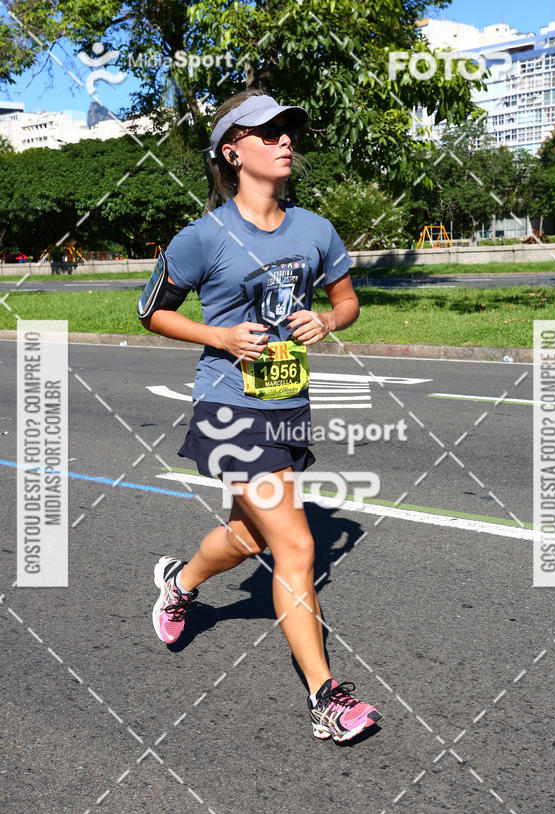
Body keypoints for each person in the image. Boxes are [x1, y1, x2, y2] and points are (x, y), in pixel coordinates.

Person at [138, 88, 381, 743]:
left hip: (287, 406)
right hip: (227, 407)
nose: (284, 141)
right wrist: (218, 337)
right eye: (266, 132)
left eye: (287, 130)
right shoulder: (203, 237)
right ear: (231, 151)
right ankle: (327, 701)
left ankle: (179, 580)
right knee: (296, 546)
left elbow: (349, 301)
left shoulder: (315, 230)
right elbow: (150, 309)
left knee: (250, 538)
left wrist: (327, 319)